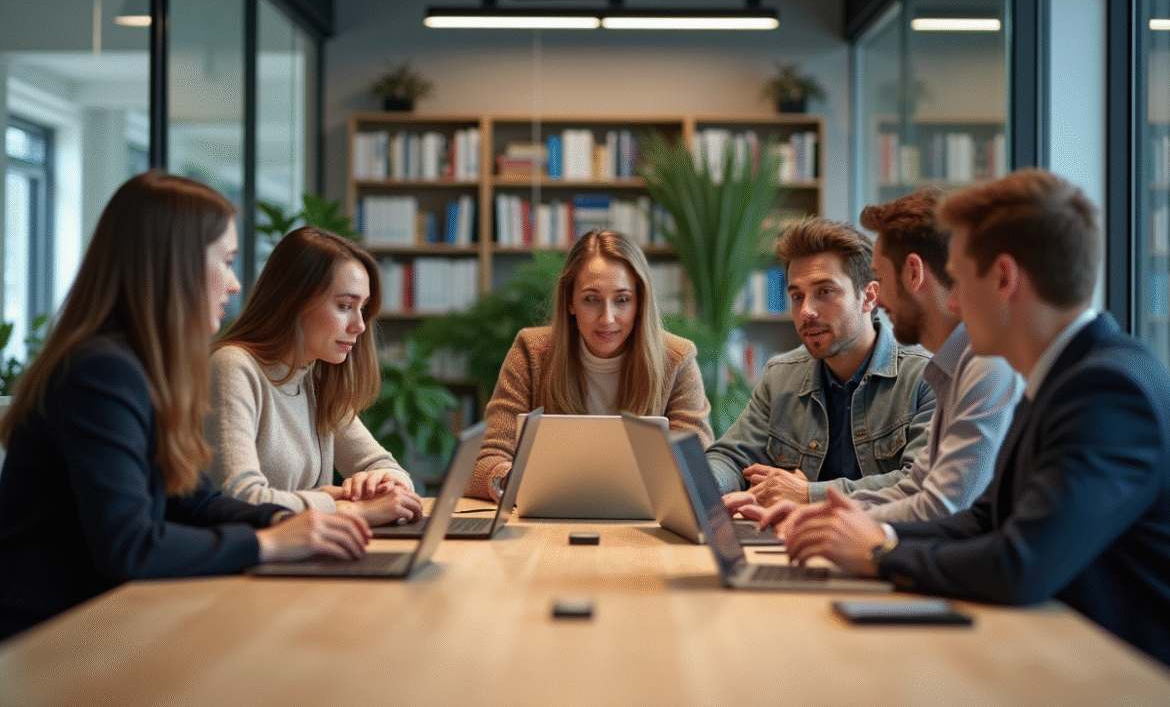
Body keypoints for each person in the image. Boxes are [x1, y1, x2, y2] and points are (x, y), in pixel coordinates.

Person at [773, 169, 1170, 666]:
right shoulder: (1060, 376)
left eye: (958, 280)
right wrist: (858, 533)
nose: (952, 303)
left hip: (1115, 677)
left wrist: (879, 554)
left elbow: (1021, 563)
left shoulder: (1108, 392)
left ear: (1004, 279)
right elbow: (985, 519)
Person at [0, 172, 370, 642]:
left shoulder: (139, 367)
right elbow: (130, 546)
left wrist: (287, 521)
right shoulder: (99, 373)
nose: (236, 285)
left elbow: (194, 500)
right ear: (176, 265)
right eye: (228, 261)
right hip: (48, 641)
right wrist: (268, 543)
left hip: (107, 623)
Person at [728, 189, 1023, 532]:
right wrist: (813, 517)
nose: (878, 299)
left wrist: (821, 513)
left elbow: (942, 507)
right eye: (796, 296)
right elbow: (916, 491)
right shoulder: (953, 366)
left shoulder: (980, 365)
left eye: (879, 280)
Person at [467, 229, 714, 501]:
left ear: (640, 302)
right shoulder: (532, 352)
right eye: (591, 299)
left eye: (622, 300)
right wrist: (511, 478)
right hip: (547, 523)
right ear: (570, 301)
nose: (607, 319)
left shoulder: (677, 360)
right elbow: (484, 462)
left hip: (644, 527)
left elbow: (698, 467)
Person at [705, 217, 935, 504]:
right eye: (797, 296)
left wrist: (809, 494)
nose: (806, 311)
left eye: (825, 292)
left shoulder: (926, 376)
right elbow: (730, 456)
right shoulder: (780, 377)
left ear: (869, 296)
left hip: (880, 543)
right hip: (793, 539)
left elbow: (920, 482)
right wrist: (703, 487)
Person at [206, 226, 423, 526]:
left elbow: (385, 466)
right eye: (345, 306)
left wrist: (386, 484)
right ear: (294, 301)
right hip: (249, 565)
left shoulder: (315, 377)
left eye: (363, 308)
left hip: (302, 554)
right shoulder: (234, 367)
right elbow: (239, 499)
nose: (359, 325)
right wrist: (342, 505)